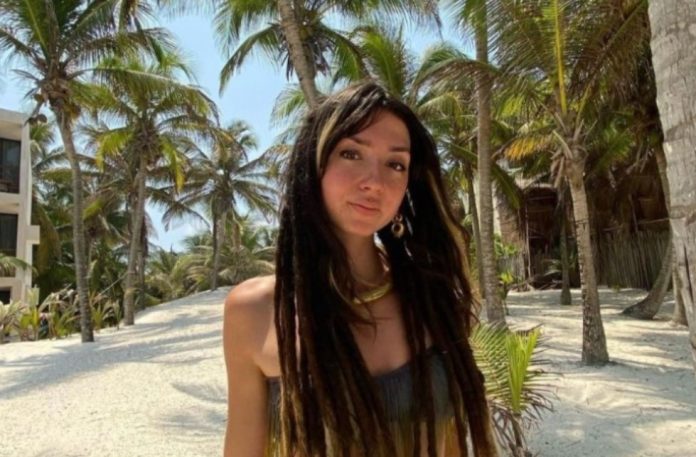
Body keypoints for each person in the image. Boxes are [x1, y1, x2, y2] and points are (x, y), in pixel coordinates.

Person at [223, 82, 499, 457]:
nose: (374, 182)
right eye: (351, 154)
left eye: (395, 164)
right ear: (313, 167)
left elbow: (449, 444)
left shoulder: (432, 298)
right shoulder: (254, 311)